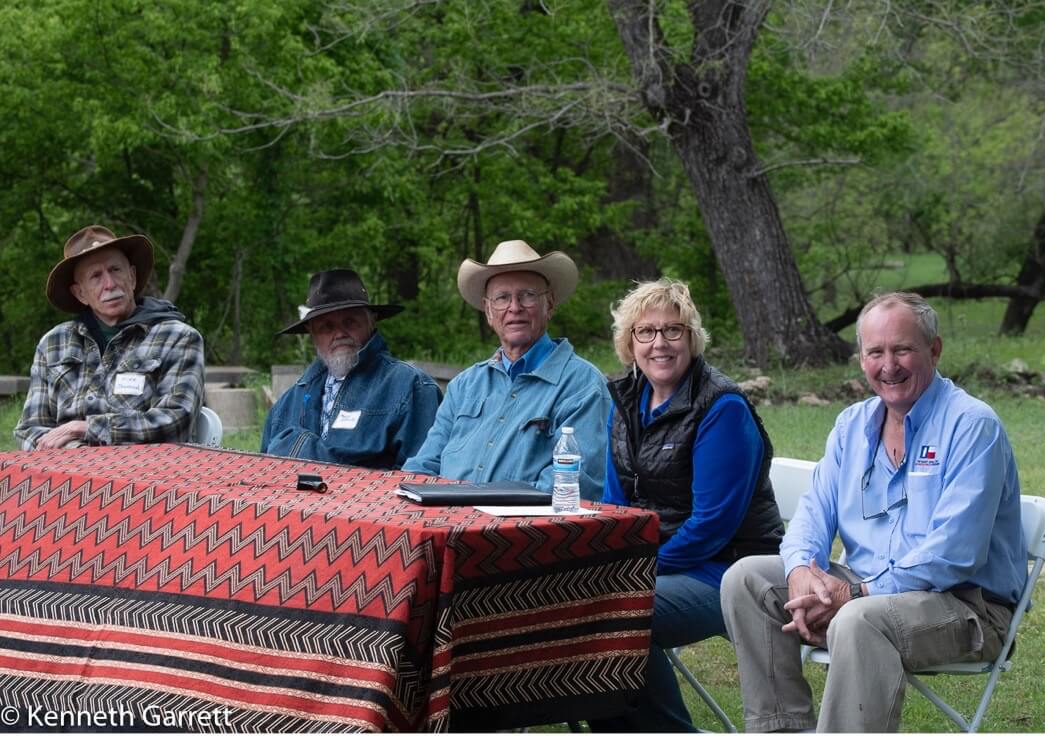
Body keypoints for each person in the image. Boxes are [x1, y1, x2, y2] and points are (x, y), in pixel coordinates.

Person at [721, 292, 1028, 733]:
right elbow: (814, 511)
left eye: (902, 349)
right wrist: (802, 572)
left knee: (859, 619)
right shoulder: (852, 425)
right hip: (867, 591)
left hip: (964, 605)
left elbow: (953, 554)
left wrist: (855, 595)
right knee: (746, 579)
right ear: (861, 358)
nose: (889, 366)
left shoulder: (972, 426)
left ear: (934, 349)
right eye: (875, 352)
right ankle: (780, 729)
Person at [589, 278, 784, 732]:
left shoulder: (722, 407)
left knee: (619, 614)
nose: (660, 343)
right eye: (646, 332)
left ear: (691, 339)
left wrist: (635, 572)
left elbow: (712, 526)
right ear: (629, 342)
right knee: (574, 602)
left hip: (732, 572)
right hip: (661, 568)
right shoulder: (625, 400)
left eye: (673, 331)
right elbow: (616, 509)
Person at [403, 240, 610, 500]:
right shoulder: (463, 386)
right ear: (489, 311)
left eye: (527, 295)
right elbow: (424, 465)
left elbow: (576, 481)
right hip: (446, 526)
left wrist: (479, 508)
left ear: (550, 304)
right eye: (502, 298)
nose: (514, 307)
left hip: (526, 534)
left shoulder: (582, 384)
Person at [14, 224, 205, 449]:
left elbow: (175, 420)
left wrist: (85, 428)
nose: (110, 284)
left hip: (147, 473)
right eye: (96, 276)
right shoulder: (53, 344)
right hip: (65, 468)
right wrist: (76, 452)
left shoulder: (178, 338)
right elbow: (29, 428)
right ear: (80, 293)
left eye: (115, 270)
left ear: (132, 277)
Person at [261, 268, 441, 467]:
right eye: (326, 327)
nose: (339, 333)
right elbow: (264, 479)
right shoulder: (285, 405)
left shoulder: (410, 387)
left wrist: (297, 447)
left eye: (349, 322)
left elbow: (422, 479)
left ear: (371, 320)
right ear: (311, 333)